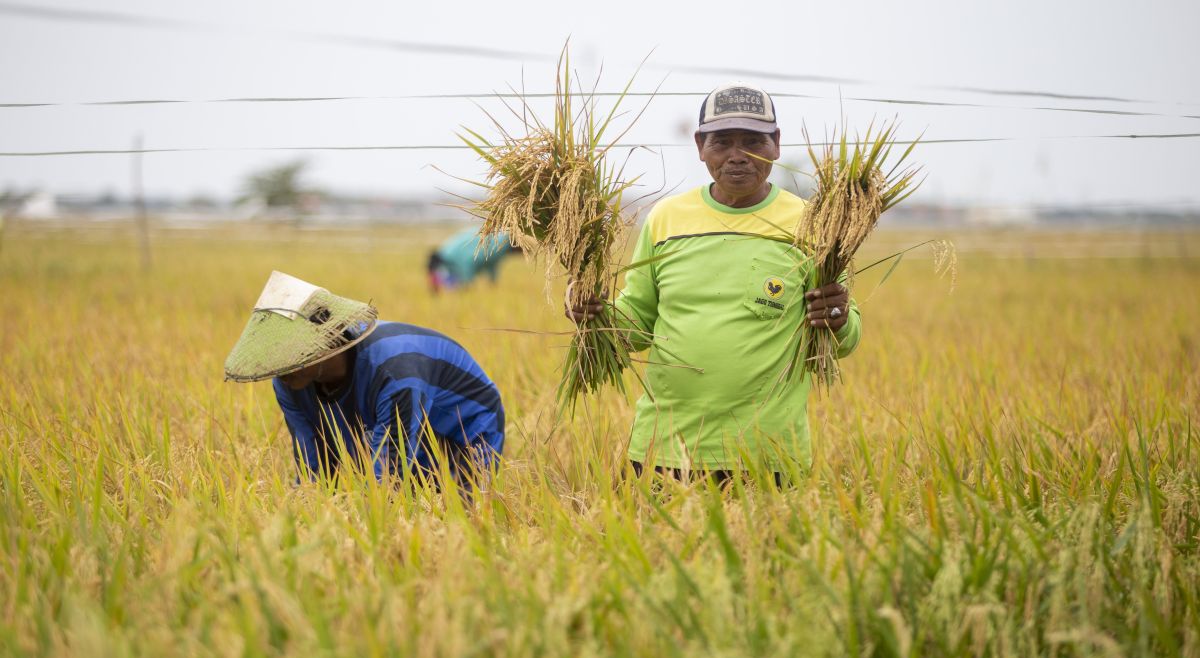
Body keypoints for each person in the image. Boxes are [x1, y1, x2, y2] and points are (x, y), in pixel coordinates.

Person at [568, 83, 861, 484]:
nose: (737, 156)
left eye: (753, 141)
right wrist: (593, 311)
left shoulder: (811, 224)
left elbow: (845, 339)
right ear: (700, 146)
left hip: (769, 454)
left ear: (776, 144)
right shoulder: (667, 219)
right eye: (722, 142)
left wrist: (837, 316)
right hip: (663, 448)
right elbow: (635, 324)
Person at [225, 271, 504, 487]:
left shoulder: (393, 371)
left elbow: (389, 472)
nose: (282, 371)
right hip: (391, 423)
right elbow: (312, 459)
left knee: (451, 509)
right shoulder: (288, 381)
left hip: (461, 429)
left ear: (326, 341)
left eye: (291, 354)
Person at [427, 225, 518, 293]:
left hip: (484, 239)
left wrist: (467, 285)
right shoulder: (499, 246)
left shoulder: (447, 253)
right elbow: (470, 263)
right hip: (485, 240)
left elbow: (488, 263)